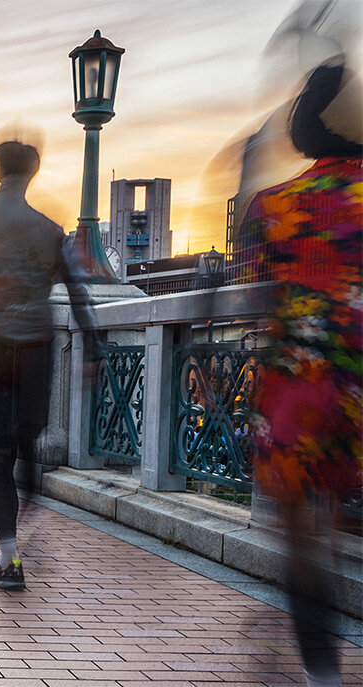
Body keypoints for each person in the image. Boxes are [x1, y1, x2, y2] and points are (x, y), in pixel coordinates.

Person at [238, 61, 360, 687]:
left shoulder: (277, 205)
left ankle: (322, 675)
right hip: (359, 384)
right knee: (338, 529)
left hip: (300, 389)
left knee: (305, 545)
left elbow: (247, 273)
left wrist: (249, 160)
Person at [0, 135, 98, 591]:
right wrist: (92, 347)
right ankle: (28, 521)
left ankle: (9, 558)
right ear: (32, 173)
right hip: (38, 346)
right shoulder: (51, 229)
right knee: (27, 445)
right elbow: (77, 290)